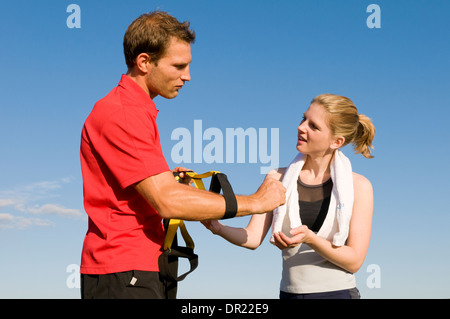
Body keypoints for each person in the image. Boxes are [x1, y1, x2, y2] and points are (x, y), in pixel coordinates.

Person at [79, 11, 286, 299]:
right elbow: (166, 201)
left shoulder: (135, 109)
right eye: (178, 66)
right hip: (124, 271)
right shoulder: (124, 112)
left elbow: (154, 192)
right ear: (144, 62)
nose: (187, 76)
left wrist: (170, 182)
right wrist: (256, 202)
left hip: (140, 267)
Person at [202, 93, 375, 299]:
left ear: (336, 141)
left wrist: (311, 239)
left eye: (314, 126)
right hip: (289, 294)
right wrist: (218, 228)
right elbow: (253, 238)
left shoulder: (359, 186)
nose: (301, 127)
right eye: (303, 119)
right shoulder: (277, 177)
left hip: (338, 294)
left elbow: (354, 261)